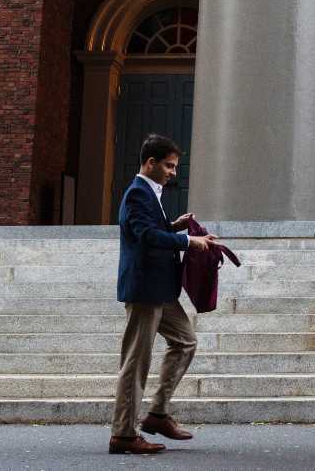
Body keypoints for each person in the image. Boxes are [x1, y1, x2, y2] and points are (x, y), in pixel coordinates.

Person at [109, 134, 217, 456]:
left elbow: (151, 230)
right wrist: (188, 242)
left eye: (175, 166)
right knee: (135, 363)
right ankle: (123, 434)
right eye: (169, 166)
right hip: (144, 291)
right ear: (150, 163)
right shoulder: (137, 194)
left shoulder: (150, 194)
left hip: (161, 290)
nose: (173, 172)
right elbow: (143, 235)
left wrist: (174, 227)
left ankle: (157, 414)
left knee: (186, 341)